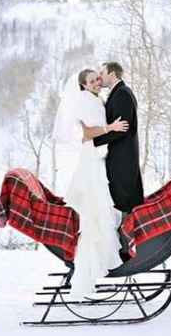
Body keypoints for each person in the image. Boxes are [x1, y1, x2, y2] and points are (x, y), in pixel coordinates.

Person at [53, 68, 128, 298]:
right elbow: (86, 134)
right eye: (92, 80)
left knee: (100, 209)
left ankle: (102, 260)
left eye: (98, 78)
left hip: (98, 157)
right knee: (94, 212)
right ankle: (91, 267)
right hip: (91, 158)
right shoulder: (85, 101)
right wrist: (110, 128)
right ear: (84, 85)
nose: (97, 82)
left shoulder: (96, 99)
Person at [94, 61, 143, 262]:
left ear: (112, 74)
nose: (99, 77)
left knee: (123, 201)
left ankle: (127, 250)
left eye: (102, 73)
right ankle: (122, 247)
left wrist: (95, 139)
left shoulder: (122, 93)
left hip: (123, 159)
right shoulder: (117, 93)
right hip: (119, 157)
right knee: (120, 200)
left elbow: (122, 129)